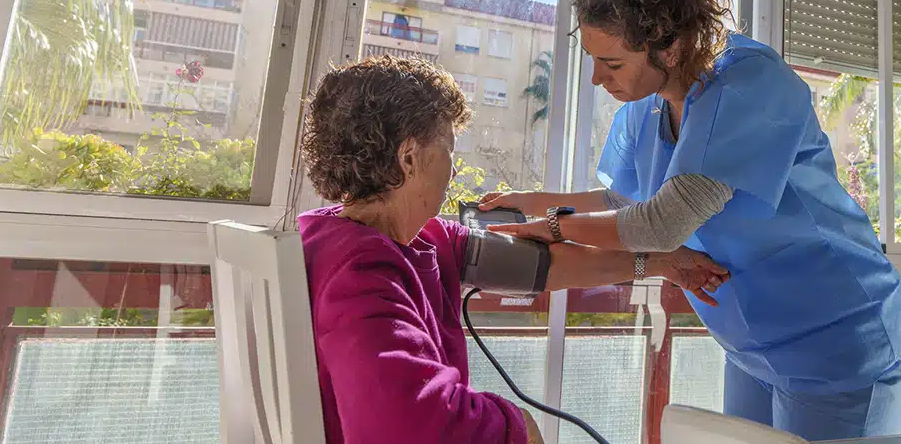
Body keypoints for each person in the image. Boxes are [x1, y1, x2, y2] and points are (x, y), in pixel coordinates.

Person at [480, 0, 901, 442]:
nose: (596, 79)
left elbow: (660, 224)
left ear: (672, 42)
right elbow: (626, 201)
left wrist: (557, 226)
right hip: (751, 347)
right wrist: (542, 200)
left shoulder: (749, 84)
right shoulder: (649, 104)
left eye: (611, 63)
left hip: (835, 339)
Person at [297, 54, 730, 444]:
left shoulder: (405, 238)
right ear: (408, 158)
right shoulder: (360, 273)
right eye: (448, 149)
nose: (452, 168)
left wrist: (659, 262)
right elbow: (406, 427)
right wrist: (515, 425)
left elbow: (544, 266)